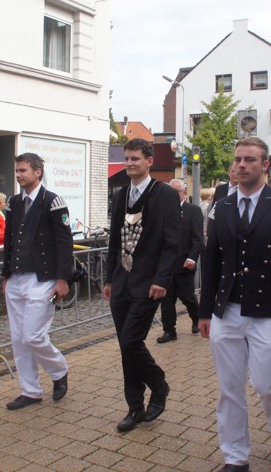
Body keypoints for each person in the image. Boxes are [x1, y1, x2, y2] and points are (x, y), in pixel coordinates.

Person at [199, 136, 271, 471]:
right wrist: (205, 311)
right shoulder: (221, 207)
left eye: (249, 160)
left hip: (269, 312)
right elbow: (212, 262)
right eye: (238, 160)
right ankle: (235, 457)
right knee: (229, 388)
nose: (242, 165)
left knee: (267, 385)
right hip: (227, 310)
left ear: (265, 165)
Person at [102, 138, 180, 433]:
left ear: (149, 161)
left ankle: (159, 385)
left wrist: (162, 279)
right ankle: (134, 407)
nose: (129, 163)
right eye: (127, 158)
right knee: (126, 348)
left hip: (148, 284)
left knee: (131, 342)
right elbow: (114, 240)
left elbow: (172, 243)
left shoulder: (164, 194)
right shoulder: (121, 195)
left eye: (135, 158)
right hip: (121, 282)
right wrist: (109, 278)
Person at [0, 153, 72, 410]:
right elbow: (9, 240)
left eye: (23, 170)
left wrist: (63, 279)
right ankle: (30, 391)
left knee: (32, 335)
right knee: (19, 339)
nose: (18, 175)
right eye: (17, 170)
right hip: (16, 278)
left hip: (43, 279)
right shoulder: (13, 202)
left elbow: (64, 243)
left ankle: (59, 370)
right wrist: (6, 274)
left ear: (38, 172)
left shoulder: (52, 201)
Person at [156, 179, 203, 343]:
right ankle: (169, 331)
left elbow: (198, 239)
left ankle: (197, 319)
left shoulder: (193, 211)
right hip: (166, 266)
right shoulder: (162, 211)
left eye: (176, 192)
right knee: (167, 300)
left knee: (188, 297)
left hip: (184, 264)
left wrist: (192, 258)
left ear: (184, 192)